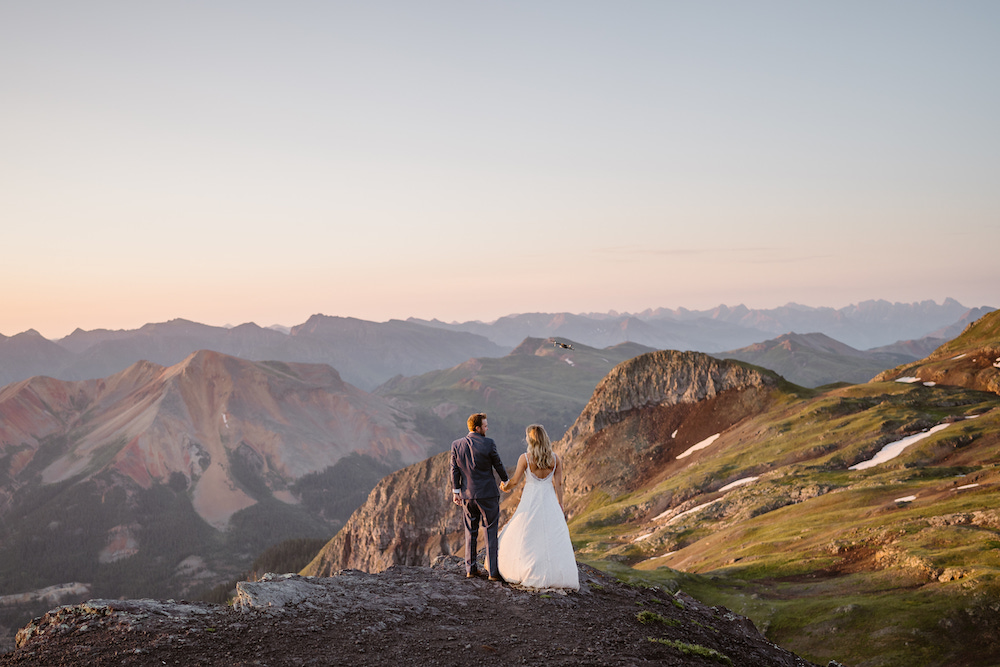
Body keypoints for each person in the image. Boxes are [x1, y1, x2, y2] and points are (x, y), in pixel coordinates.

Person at [497, 424, 580, 590]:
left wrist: (504, 487)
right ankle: (556, 573)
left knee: (527, 532)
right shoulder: (555, 459)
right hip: (549, 498)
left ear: (531, 440)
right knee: (551, 535)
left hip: (531, 499)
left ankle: (526, 567)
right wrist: (561, 503)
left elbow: (515, 481)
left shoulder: (525, 458)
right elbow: (559, 484)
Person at [451, 412, 509, 581]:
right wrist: (506, 480)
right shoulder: (489, 443)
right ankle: (492, 573)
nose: (487, 428)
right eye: (485, 425)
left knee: (470, 532)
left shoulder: (456, 445)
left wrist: (456, 492)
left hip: (467, 496)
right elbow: (497, 464)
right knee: (490, 531)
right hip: (488, 495)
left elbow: (454, 469)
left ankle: (470, 569)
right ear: (478, 428)